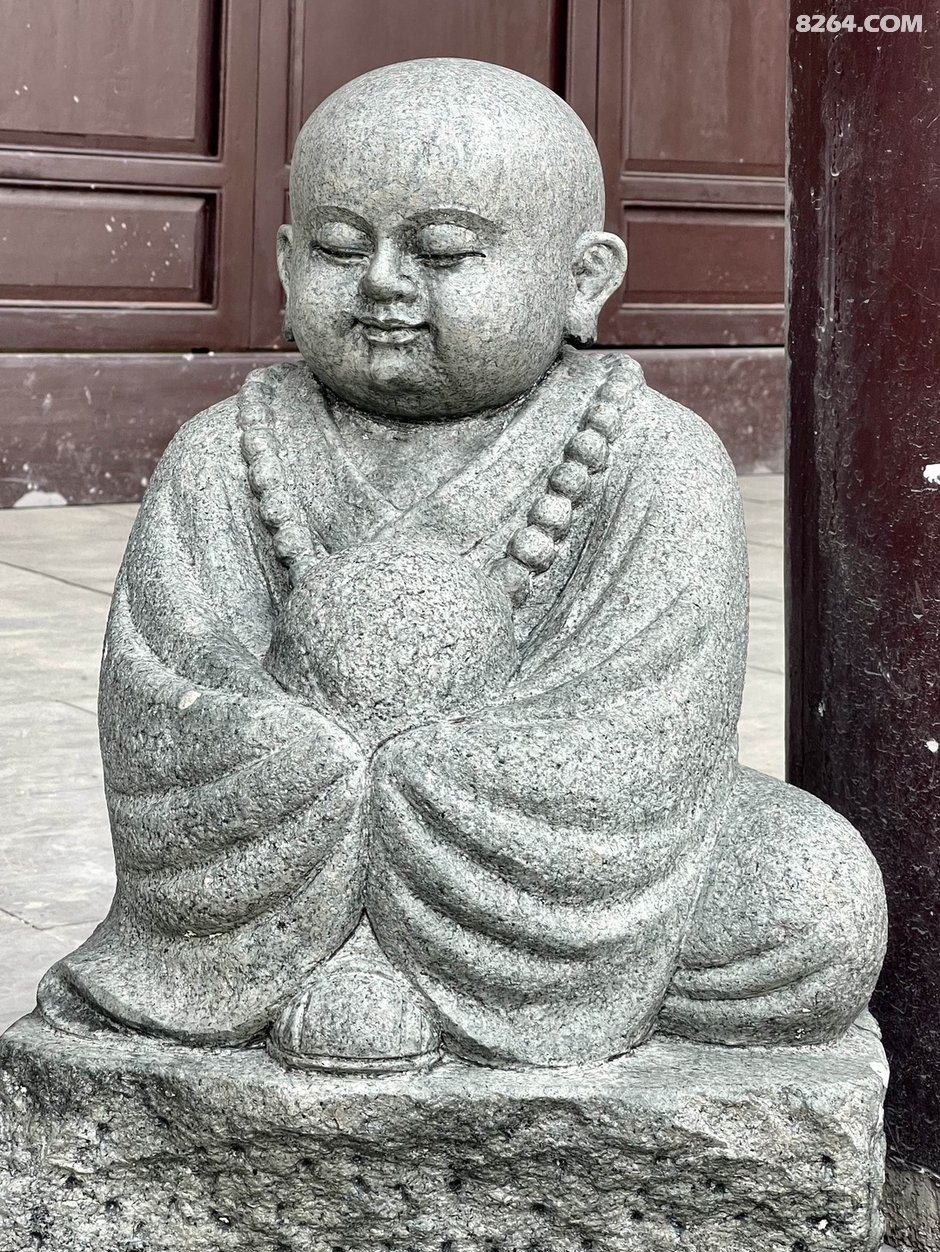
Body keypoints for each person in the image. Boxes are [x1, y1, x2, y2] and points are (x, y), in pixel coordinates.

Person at [38, 59, 887, 1073]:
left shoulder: (654, 455)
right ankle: (335, 952)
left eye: (442, 252)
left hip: (555, 855)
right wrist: (322, 756)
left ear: (584, 279)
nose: (383, 282)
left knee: (815, 902)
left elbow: (654, 719)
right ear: (286, 261)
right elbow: (166, 689)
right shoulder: (226, 449)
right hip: (289, 828)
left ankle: (393, 961)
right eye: (339, 247)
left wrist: (418, 771)